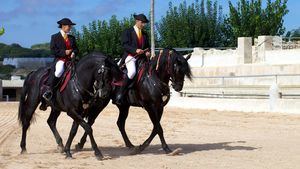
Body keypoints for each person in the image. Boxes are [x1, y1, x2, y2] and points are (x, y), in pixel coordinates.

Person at [115, 13, 151, 104]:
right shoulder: (127, 32)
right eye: (143, 23)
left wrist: (147, 52)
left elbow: (147, 47)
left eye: (145, 23)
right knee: (132, 72)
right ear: (137, 21)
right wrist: (135, 50)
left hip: (142, 58)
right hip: (131, 57)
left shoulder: (145, 34)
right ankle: (120, 94)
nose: (144, 25)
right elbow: (125, 45)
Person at [43, 18, 79, 101]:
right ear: (63, 26)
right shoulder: (55, 37)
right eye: (69, 26)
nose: (70, 27)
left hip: (72, 60)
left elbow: (76, 49)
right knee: (59, 71)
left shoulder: (72, 38)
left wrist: (74, 52)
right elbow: (53, 50)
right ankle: (50, 90)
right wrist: (64, 52)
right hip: (60, 59)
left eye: (70, 26)